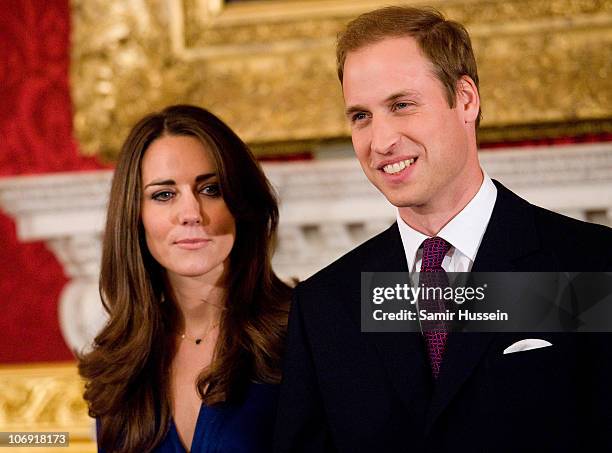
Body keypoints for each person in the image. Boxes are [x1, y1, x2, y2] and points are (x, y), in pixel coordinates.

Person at [274, 6, 612, 452]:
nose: (380, 141)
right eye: (361, 116)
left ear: (466, 99)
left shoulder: (591, 266)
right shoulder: (326, 305)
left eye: (401, 105)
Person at [78, 104, 292, 453]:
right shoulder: (120, 365)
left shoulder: (301, 331)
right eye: (164, 195)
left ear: (241, 202)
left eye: (211, 189)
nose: (192, 213)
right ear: (136, 217)